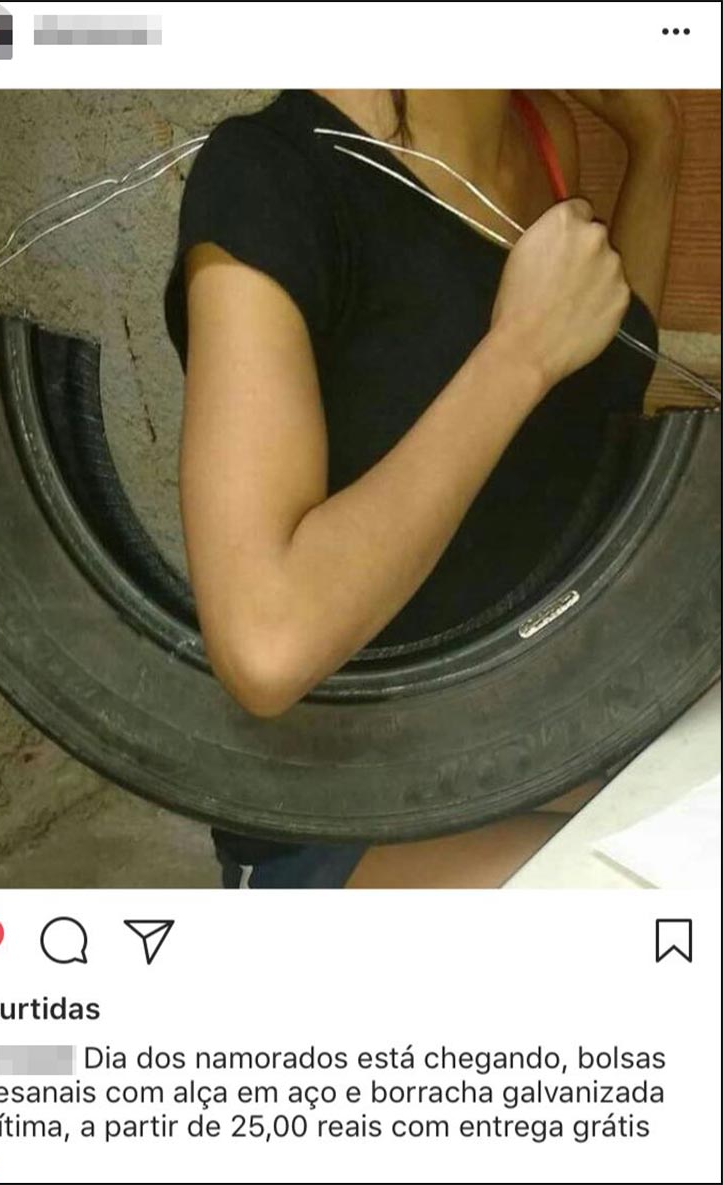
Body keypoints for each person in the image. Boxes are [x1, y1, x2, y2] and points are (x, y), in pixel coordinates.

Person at [162, 89, 684, 889]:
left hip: (540, 747)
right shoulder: (268, 177)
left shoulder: (540, 136)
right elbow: (267, 642)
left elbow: (596, 397)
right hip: (352, 815)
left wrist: (657, 143)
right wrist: (517, 355)